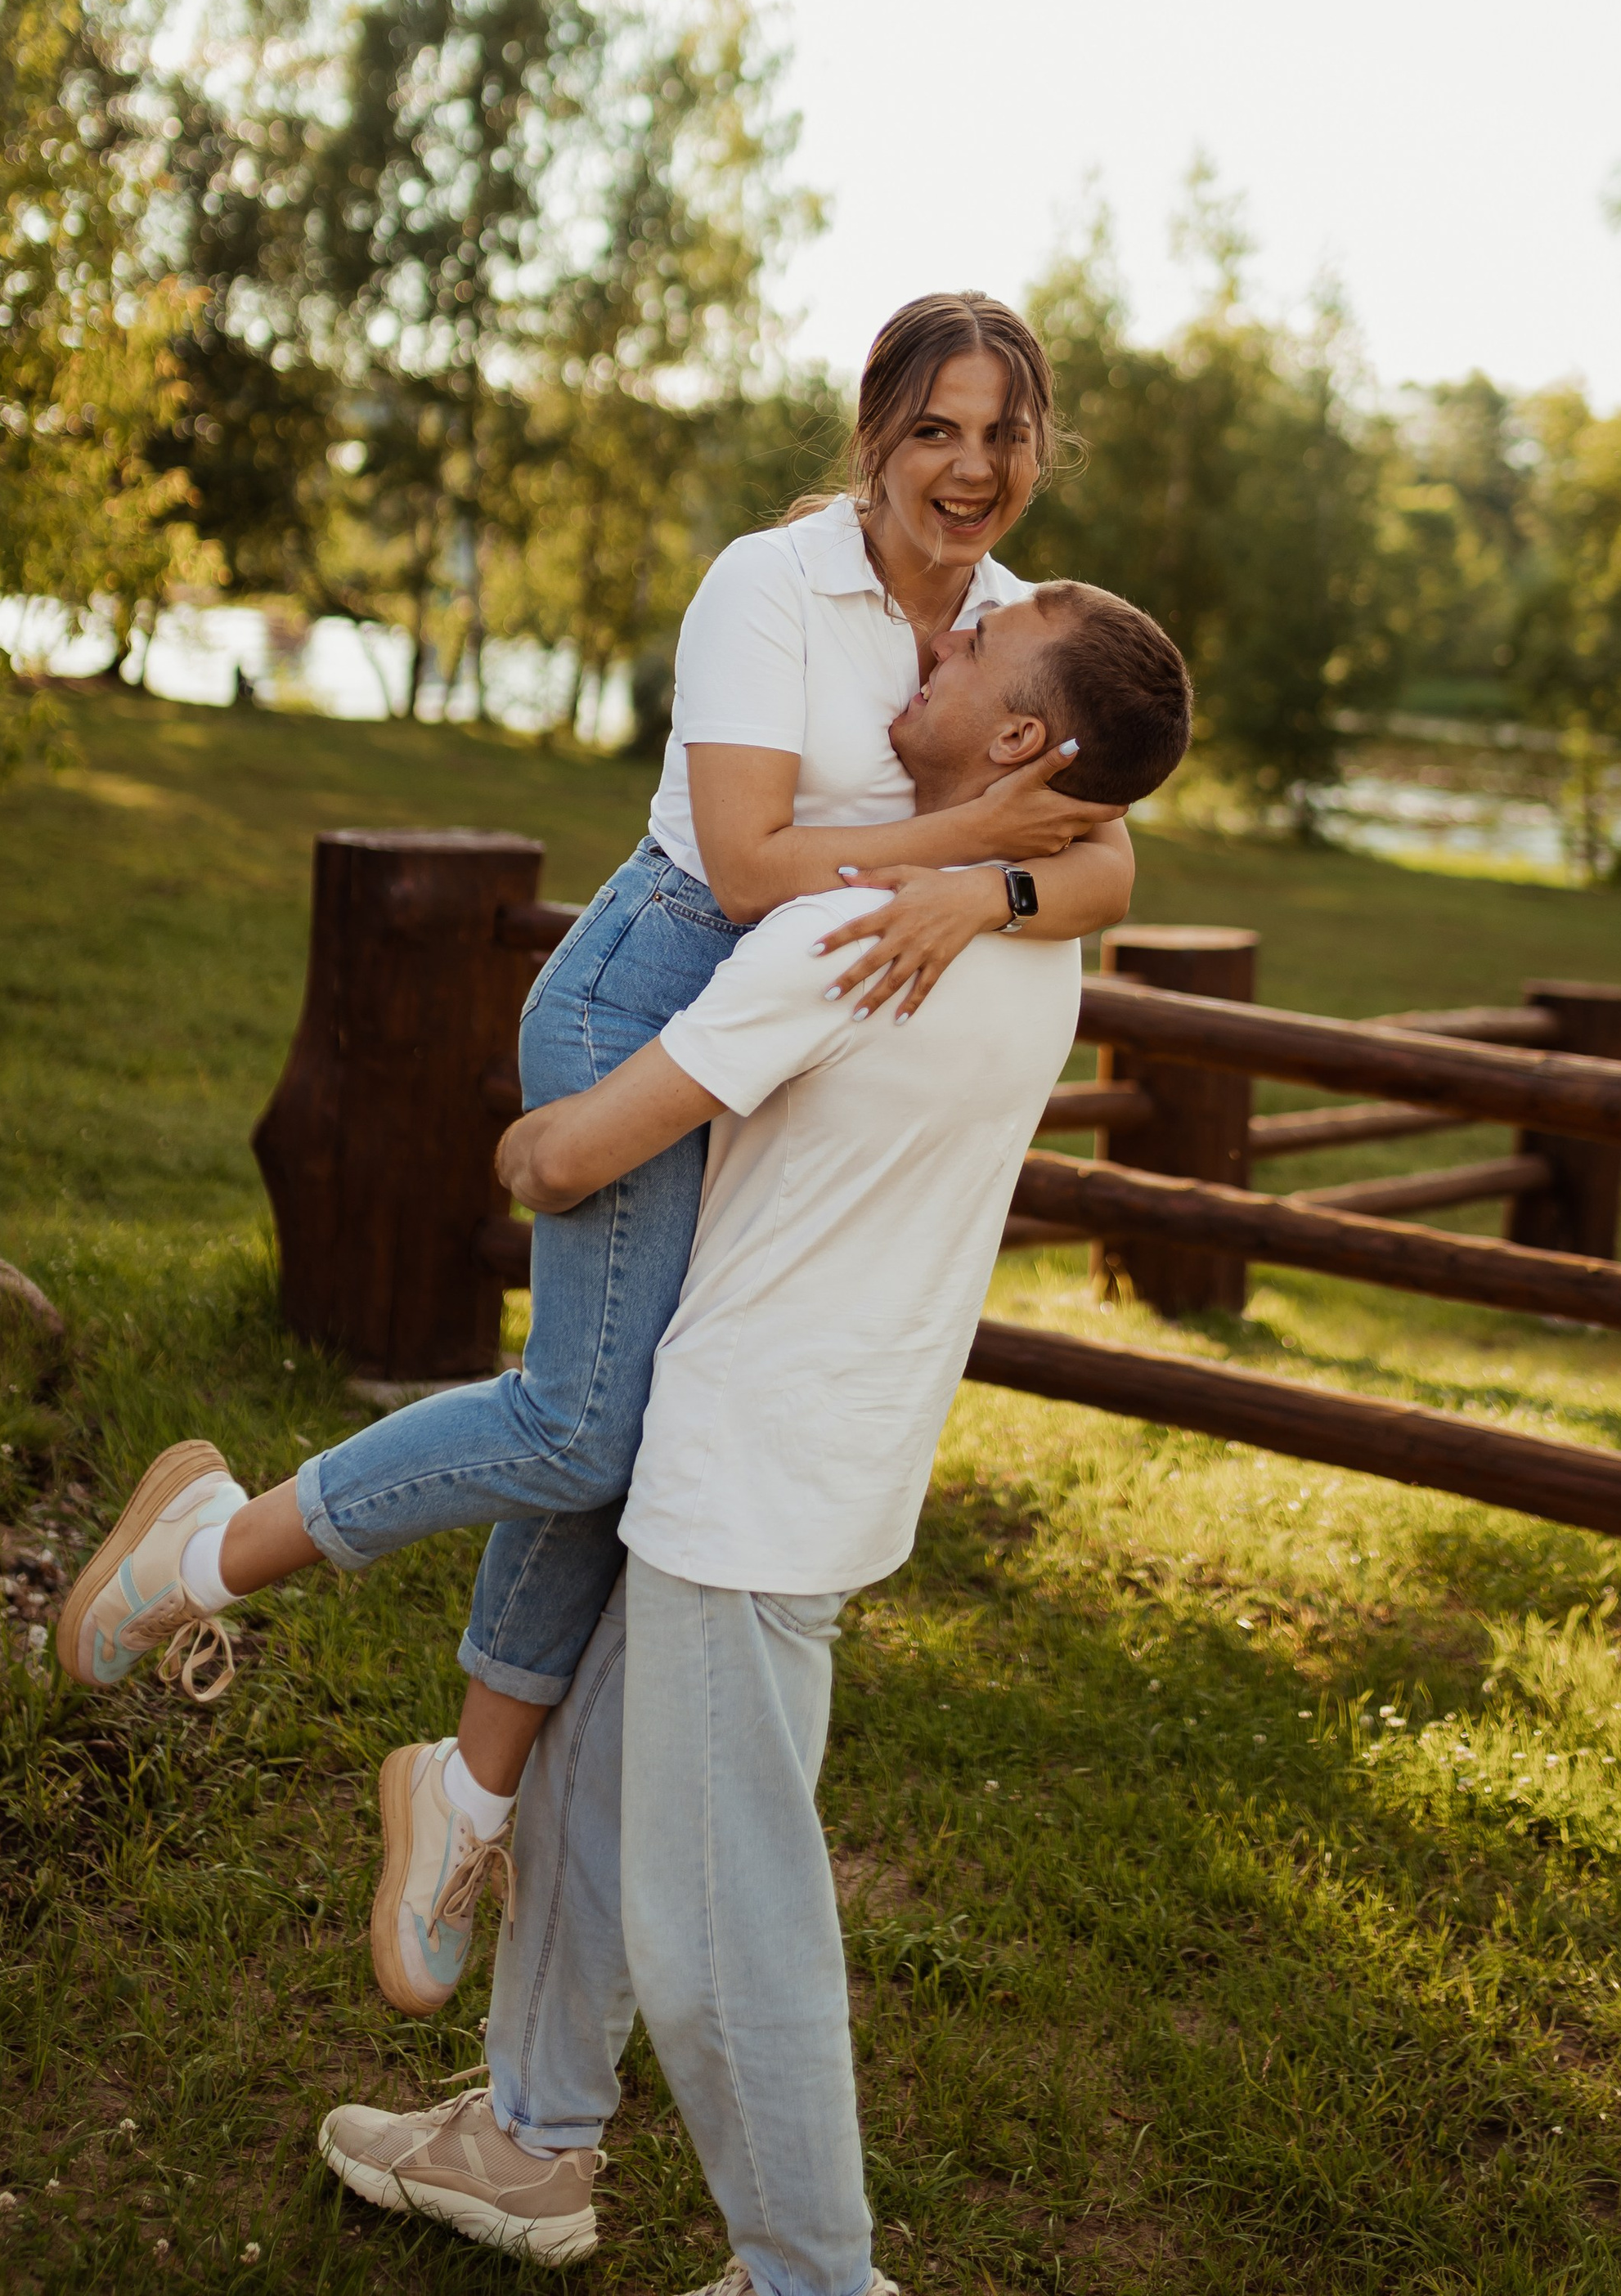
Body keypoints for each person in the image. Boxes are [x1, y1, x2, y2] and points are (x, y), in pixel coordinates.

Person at [56, 293, 1135, 2009]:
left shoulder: (1015, 629)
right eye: (935, 426)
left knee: (626, 1431)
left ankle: (465, 1796)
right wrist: (974, 840)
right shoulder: (768, 586)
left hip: (786, 1044)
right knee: (582, 1420)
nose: (970, 465)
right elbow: (741, 863)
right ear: (874, 432)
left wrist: (984, 887)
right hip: (650, 993)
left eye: (1002, 432)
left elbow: (1107, 866)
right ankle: (204, 1555)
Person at [311, 576, 1195, 2280]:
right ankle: (528, 2139)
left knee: (725, 1919)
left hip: (749, 1468)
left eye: (970, 648)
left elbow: (569, 1157)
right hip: (823, 1444)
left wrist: (520, 1143)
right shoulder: (1032, 938)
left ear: (1022, 735)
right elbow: (1083, 865)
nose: (934, 644)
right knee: (586, 1785)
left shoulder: (842, 934)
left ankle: (810, 2273)